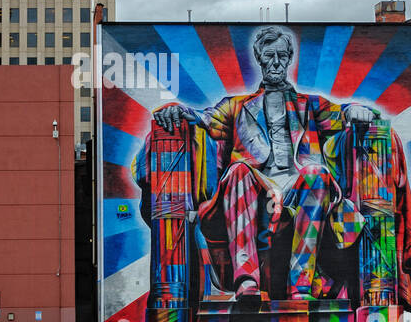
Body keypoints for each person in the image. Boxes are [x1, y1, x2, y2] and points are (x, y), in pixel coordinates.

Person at [153, 26, 377, 301]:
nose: (276, 62)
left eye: (282, 55)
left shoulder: (311, 104)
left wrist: (355, 109)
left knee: (317, 173)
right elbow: (206, 118)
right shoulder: (236, 105)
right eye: (270, 56)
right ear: (259, 58)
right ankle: (247, 280)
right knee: (238, 170)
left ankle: (301, 286)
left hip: (299, 185)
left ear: (290, 59)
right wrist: (181, 110)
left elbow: (342, 115)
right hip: (256, 185)